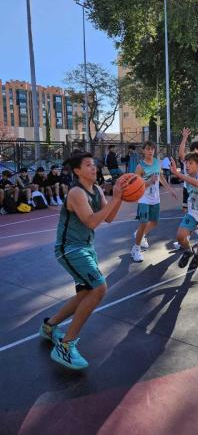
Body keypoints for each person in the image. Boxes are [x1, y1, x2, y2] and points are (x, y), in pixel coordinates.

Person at [39, 151, 130, 370]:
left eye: (94, 164)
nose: (94, 167)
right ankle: (66, 346)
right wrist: (116, 198)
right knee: (99, 288)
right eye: (88, 165)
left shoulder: (97, 189)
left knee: (84, 294)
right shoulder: (76, 193)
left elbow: (109, 217)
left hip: (85, 248)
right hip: (70, 249)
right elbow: (90, 222)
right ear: (77, 171)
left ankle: (50, 327)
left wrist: (120, 196)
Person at [131, 141, 177, 262]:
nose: (150, 151)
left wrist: (169, 189)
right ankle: (136, 249)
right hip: (144, 199)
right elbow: (136, 185)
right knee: (144, 223)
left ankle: (140, 235)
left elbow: (161, 177)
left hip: (155, 198)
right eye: (147, 149)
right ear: (143, 150)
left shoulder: (157, 162)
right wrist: (149, 182)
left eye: (152, 149)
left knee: (154, 222)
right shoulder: (140, 166)